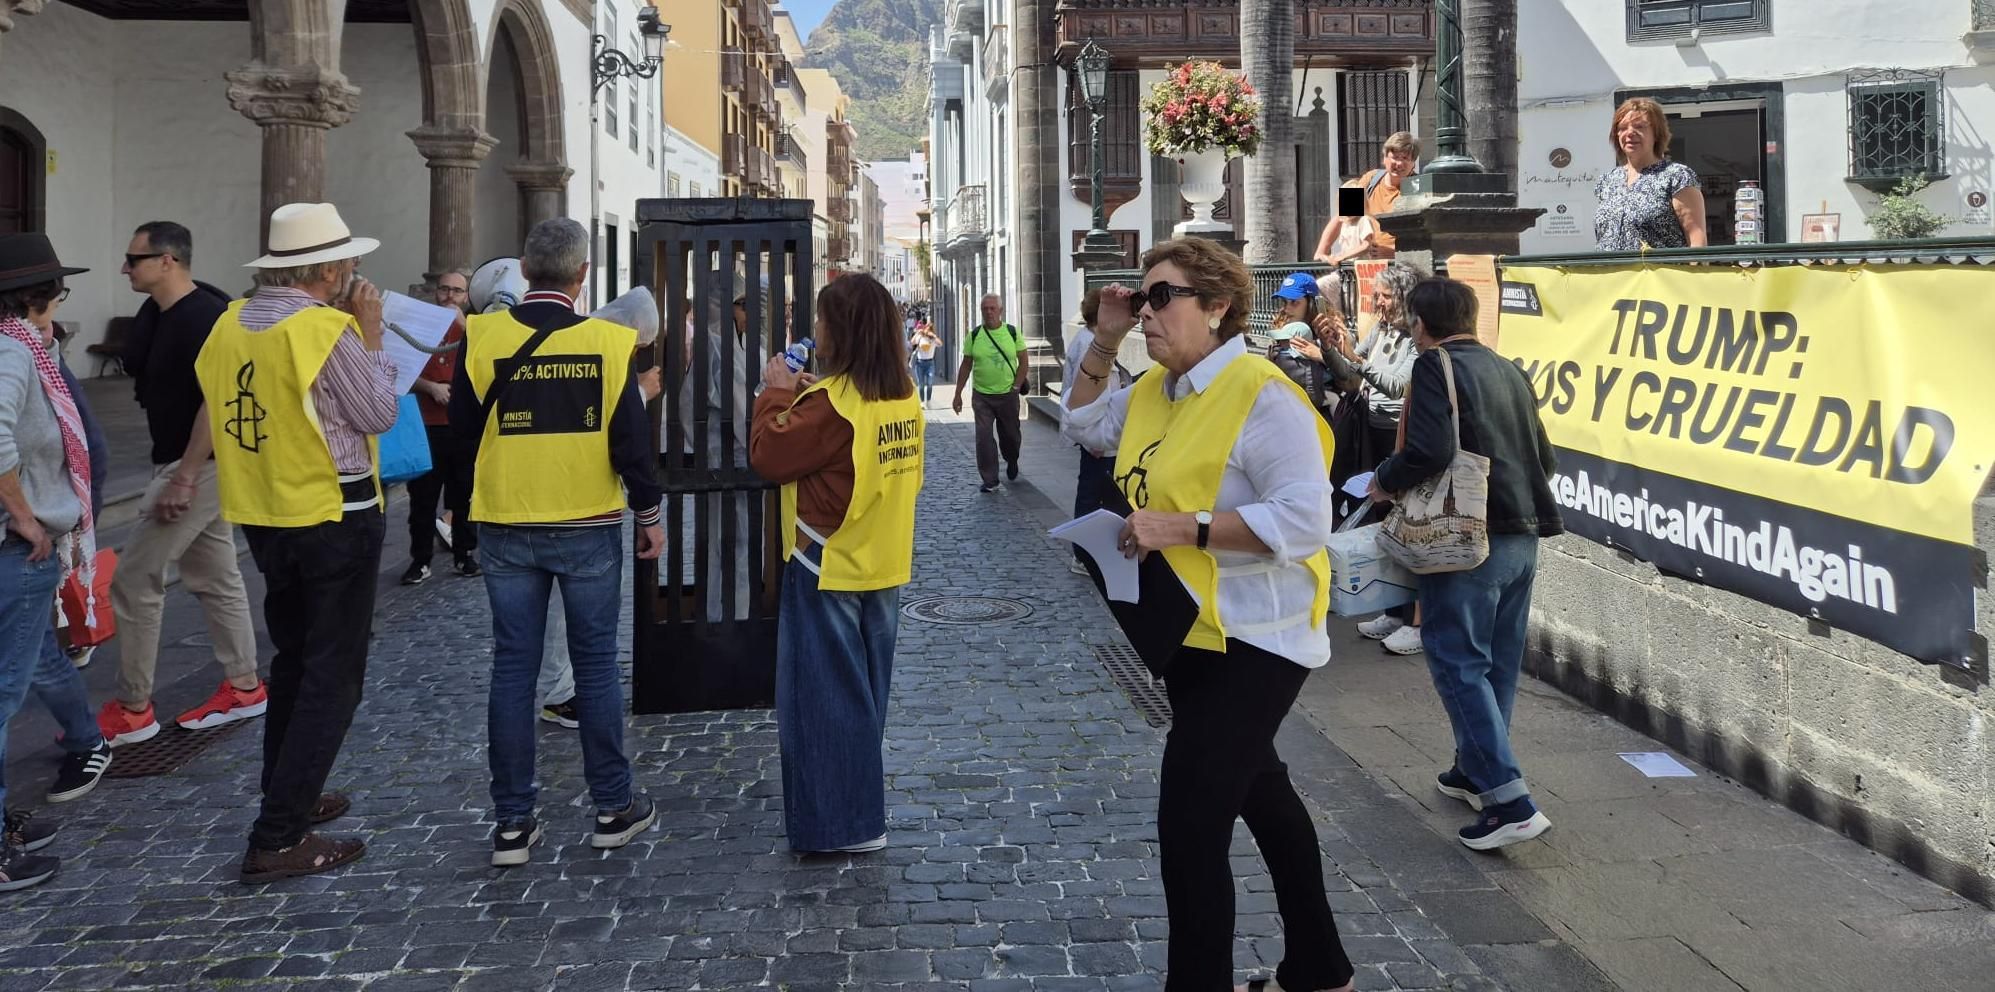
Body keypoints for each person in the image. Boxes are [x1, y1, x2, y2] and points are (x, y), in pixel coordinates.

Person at [1064, 238, 1356, 992]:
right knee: (1264, 793)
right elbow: (1084, 426)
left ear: (1218, 307)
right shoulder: (1159, 387)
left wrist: (1182, 526)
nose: (1147, 313)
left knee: (1189, 831)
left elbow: (1303, 522)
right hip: (1187, 631)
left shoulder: (1260, 392)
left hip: (1259, 636)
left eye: (1162, 298)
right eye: (1142, 298)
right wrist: (1104, 337)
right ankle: (1321, 968)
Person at [185, 202, 399, 883]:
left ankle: (290, 795)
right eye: (349, 265)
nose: (353, 274)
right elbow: (377, 413)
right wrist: (370, 339)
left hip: (265, 512)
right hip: (333, 512)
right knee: (332, 677)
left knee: (297, 663)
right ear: (330, 268)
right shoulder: (324, 328)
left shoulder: (229, 325)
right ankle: (277, 836)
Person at [451, 218, 662, 868]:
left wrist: (464, 522)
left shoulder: (480, 338)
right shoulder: (607, 341)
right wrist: (649, 512)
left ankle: (513, 824)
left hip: (506, 522)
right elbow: (629, 438)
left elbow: (461, 436)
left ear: (523, 267)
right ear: (582, 275)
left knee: (513, 669)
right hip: (588, 521)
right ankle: (611, 807)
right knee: (594, 665)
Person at [1369, 278, 1563, 850]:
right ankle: (1473, 768)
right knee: (1496, 663)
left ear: (1420, 324)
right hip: (1522, 533)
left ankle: (1510, 801)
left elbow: (1428, 451)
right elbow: (1545, 457)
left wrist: (1383, 480)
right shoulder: (1510, 369)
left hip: (1466, 539)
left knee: (1457, 663)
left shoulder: (1434, 366)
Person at [750, 274, 922, 855]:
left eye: (821, 319)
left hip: (826, 559)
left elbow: (770, 455)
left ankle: (839, 824)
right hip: (883, 558)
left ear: (841, 329)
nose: (814, 329)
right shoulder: (901, 393)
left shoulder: (830, 405)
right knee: (866, 697)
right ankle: (860, 810)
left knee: (820, 702)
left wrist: (775, 393)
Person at [98, 221, 264, 748]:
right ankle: (244, 686)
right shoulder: (157, 313)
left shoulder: (206, 317)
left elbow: (219, 403)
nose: (125, 267)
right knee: (214, 573)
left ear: (168, 260)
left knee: (134, 578)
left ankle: (133, 708)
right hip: (175, 460)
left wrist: (185, 477)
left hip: (198, 465)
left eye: (135, 258)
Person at [0, 233, 97, 892]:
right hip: (14, 548)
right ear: (37, 297)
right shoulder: (12, 350)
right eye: (56, 294)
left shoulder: (23, 346)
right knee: (3, 696)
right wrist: (26, 516)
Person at [533, 286, 663, 731]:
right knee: (566, 611)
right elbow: (608, 423)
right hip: (578, 500)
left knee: (550, 615)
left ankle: (563, 688)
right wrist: (640, 394)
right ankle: (561, 692)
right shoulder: (601, 346)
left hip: (533, 495)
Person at [1324, 259, 1425, 655]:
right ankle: (1393, 609)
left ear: (1401, 297)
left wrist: (1357, 358)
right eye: (1376, 295)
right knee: (1383, 524)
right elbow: (1349, 374)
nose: (1377, 303)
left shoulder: (1416, 336)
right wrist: (1332, 348)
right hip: (1373, 431)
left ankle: (1416, 620)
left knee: (1407, 526)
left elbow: (1399, 386)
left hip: (1400, 437)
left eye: (1383, 296)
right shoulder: (1381, 329)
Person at [400, 269, 479, 585]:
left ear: (466, 297)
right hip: (426, 425)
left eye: (457, 291)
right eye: (444, 289)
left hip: (461, 426)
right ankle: (420, 560)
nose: (449, 296)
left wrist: (465, 327)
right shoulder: (417, 326)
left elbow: (487, 366)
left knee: (464, 496)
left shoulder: (474, 330)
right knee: (422, 499)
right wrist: (430, 387)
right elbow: (400, 368)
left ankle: (464, 554)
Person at [1061, 289, 1133, 576]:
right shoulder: (1091, 343)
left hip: (1095, 429)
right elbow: (1101, 386)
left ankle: (1086, 551)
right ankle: (1083, 554)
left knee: (1091, 492)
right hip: (1098, 434)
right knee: (1093, 495)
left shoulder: (1083, 339)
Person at [1595, 97, 1708, 251]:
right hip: (1610, 274)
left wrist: (1697, 272)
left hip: (1660, 274)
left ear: (1656, 133)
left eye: (1639, 126)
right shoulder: (1607, 181)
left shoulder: (1677, 177)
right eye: (1622, 128)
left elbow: (1697, 239)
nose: (1629, 133)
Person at [950, 293, 1027, 493]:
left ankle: (1012, 459)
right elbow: (966, 365)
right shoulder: (974, 336)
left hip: (1008, 394)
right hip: (982, 396)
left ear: (1000, 311)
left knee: (1011, 436)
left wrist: (1016, 387)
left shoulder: (1012, 333)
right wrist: (958, 393)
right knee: (983, 438)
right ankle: (990, 479)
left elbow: (1024, 361)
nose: (989, 312)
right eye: (985, 309)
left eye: (993, 308)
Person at [1311, 132, 1419, 269]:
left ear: (1413, 163)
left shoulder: (1417, 188)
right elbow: (1342, 216)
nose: (1399, 163)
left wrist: (1392, 252)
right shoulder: (1371, 179)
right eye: (1395, 157)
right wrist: (1321, 251)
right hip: (1361, 263)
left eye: (1405, 158)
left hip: (1397, 267)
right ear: (1384, 158)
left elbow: (1423, 236)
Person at [908, 320, 939, 406]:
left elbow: (940, 343)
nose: (927, 331)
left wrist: (933, 335)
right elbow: (912, 342)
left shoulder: (933, 340)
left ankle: (928, 400)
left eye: (929, 329)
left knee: (930, 383)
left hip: (930, 363)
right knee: (921, 384)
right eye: (927, 329)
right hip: (920, 363)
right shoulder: (920, 338)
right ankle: (922, 402)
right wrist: (918, 333)